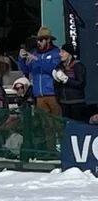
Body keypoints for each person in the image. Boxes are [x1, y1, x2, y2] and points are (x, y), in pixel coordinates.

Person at [20, 26, 62, 154]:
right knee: (46, 125)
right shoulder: (35, 53)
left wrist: (37, 60)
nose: (39, 42)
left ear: (48, 40)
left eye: (42, 40)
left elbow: (53, 68)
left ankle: (63, 149)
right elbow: (26, 70)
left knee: (58, 124)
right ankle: (51, 151)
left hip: (52, 93)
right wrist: (21, 59)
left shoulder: (56, 53)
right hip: (39, 95)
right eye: (38, 40)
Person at [54, 43, 89, 123]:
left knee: (78, 126)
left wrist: (66, 80)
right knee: (67, 127)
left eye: (63, 52)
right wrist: (56, 80)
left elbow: (81, 83)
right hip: (64, 103)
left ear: (69, 53)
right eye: (60, 52)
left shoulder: (78, 65)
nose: (60, 54)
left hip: (76, 103)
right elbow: (56, 86)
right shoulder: (60, 66)